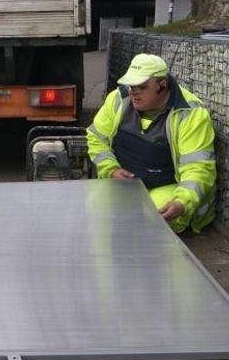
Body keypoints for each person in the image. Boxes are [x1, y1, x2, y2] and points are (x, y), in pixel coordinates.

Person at [86, 53, 217, 233]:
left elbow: (198, 168)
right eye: (131, 86)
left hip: (169, 188)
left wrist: (181, 203)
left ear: (162, 85)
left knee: (149, 218)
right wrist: (111, 169)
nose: (134, 93)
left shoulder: (191, 114)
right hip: (124, 187)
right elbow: (96, 138)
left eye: (142, 87)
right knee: (94, 209)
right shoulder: (118, 99)